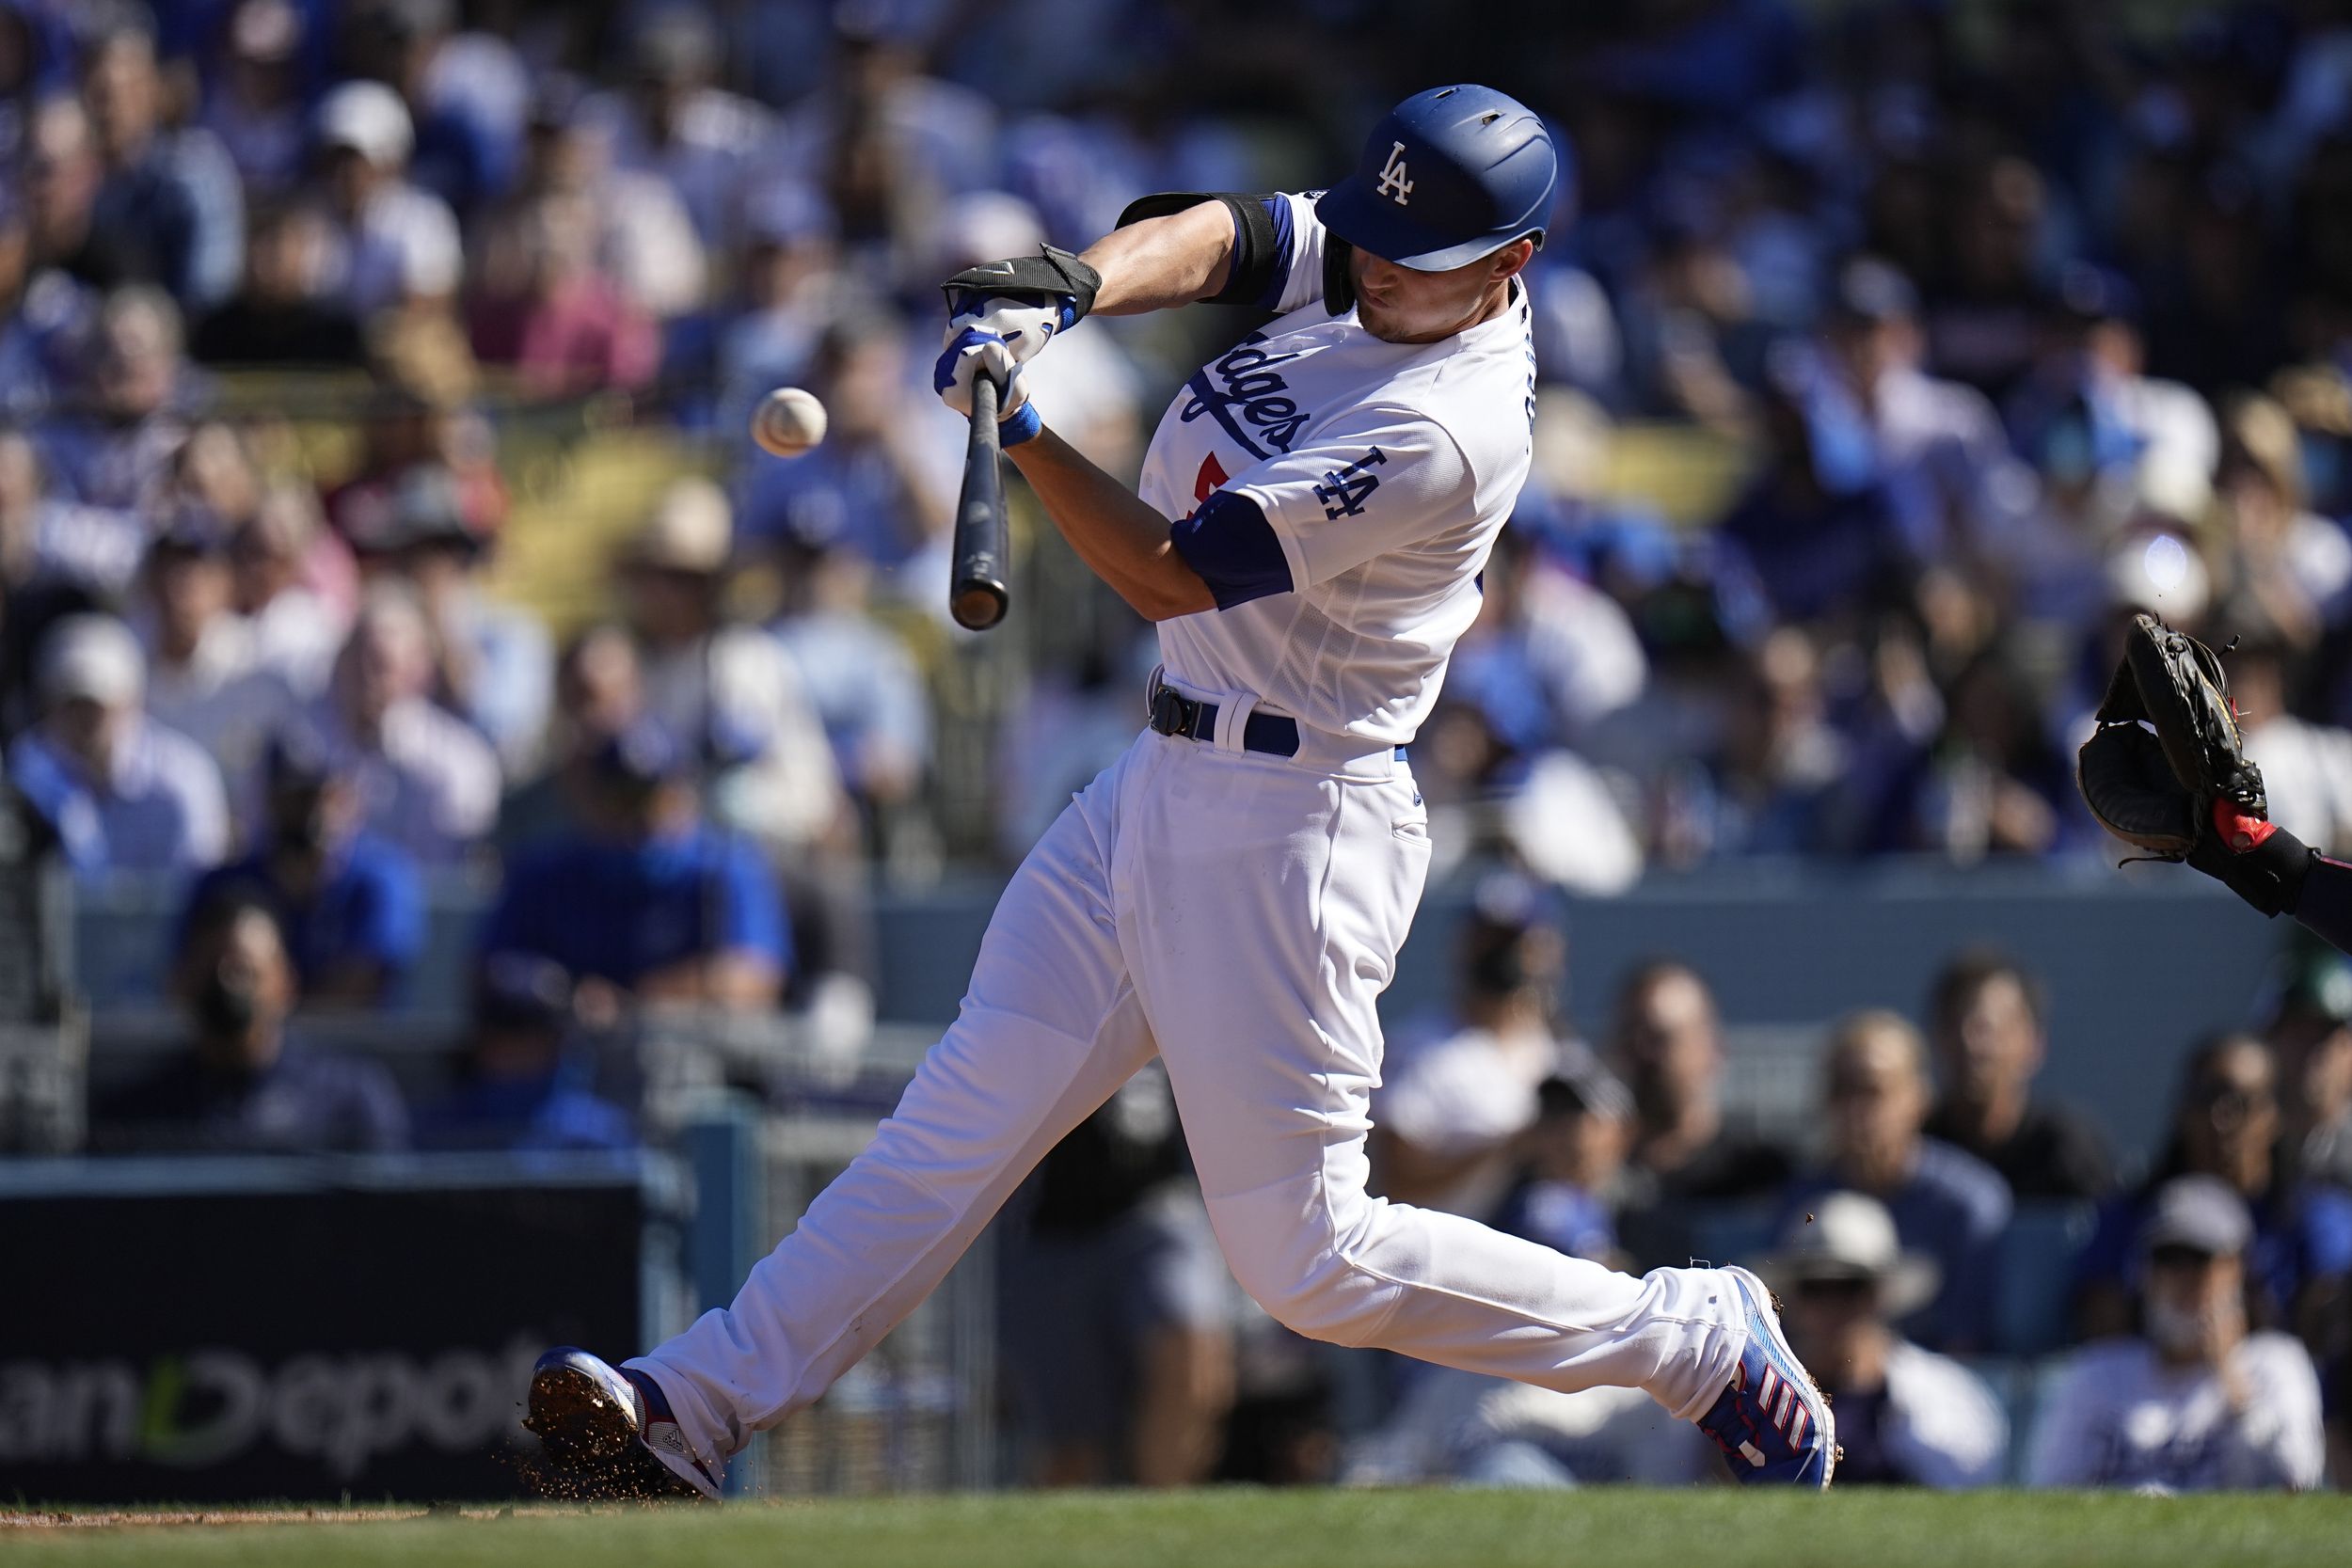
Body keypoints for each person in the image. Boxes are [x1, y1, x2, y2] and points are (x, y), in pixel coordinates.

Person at [522, 87, 1836, 1499]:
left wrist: (1020, 426)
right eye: (1380, 230)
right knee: (959, 1116)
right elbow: (1241, 235)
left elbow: (1170, 568)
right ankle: (691, 1402)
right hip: (1161, 776)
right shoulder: (1395, 256)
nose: (1376, 262)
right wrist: (1075, 289)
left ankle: (1690, 1334)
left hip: (1293, 823)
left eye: (1419, 254)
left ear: (1509, 267)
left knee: (1310, 1261)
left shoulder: (1446, 425)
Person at [997, 1063, 1235, 1488]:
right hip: (1055, 1228)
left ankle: (1164, 1528)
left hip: (1159, 1206)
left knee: (1192, 1366)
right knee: (1072, 1443)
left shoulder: (1183, 999)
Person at [2030, 1177, 2326, 1492]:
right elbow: (2050, 1493)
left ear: (2237, 1270)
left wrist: (2234, 1385)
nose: (2183, 1280)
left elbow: (2299, 1479)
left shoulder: (2275, 1364)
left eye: (2200, 1261)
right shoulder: (2096, 1374)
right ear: (2145, 1275)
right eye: (2168, 1259)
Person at [480, 719, 788, 1011]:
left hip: (688, 1053)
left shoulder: (724, 866)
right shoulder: (545, 872)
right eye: (622, 797)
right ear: (592, 799)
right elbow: (490, 970)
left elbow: (754, 976)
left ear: (681, 794)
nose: (639, 815)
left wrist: (631, 1003)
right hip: (569, 1053)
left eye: (651, 797)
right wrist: (561, 995)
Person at [2072, 1034, 2352, 1343]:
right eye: (2207, 1098)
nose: (2221, 1119)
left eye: (2241, 1103)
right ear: (2180, 1112)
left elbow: (2327, 1332)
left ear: (2273, 1117)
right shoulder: (2130, 1215)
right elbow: (2104, 1333)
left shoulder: (2312, 1216)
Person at [88, 887, 409, 1154]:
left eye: (246, 971)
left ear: (286, 983)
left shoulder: (349, 1100)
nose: (228, 984)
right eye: (212, 969)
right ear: (180, 982)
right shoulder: (136, 1117)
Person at [1781, 1011, 2011, 1353]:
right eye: (1842, 1091)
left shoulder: (1967, 1204)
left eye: (1874, 1091)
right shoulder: (1799, 1206)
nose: (1857, 1111)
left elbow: (1967, 1344)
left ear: (1919, 1098)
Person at [1757, 1194, 2007, 1489]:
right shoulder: (1755, 1393)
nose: (1832, 1306)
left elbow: (1968, 1490)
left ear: (1879, 1296)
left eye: (1851, 1287)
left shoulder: (1941, 1396)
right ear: (1795, 1300)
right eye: (1815, 1288)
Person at [1371, 877, 1577, 1221]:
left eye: (1512, 941)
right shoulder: (1420, 1048)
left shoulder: (1560, 1051)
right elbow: (1396, 1179)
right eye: (1487, 939)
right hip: (1445, 1259)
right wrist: (1508, 1148)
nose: (1500, 954)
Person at [178, 730, 424, 1009]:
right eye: (296, 797)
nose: (312, 812)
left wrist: (267, 1017)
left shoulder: (378, 879)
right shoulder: (224, 885)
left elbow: (358, 991)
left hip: (360, 1051)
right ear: (270, 799)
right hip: (244, 1050)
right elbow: (185, 983)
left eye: (323, 796)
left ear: (346, 796)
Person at [292, 583, 501, 865]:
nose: (365, 679)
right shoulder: (303, 749)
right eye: (355, 659)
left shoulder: (457, 765)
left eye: (380, 665)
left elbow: (445, 875)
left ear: (420, 670)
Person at [8, 613, 229, 876]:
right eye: (71, 705)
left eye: (97, 707)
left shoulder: (184, 779)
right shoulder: (26, 772)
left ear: (131, 702)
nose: (84, 720)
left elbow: (198, 885)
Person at [1920, 948, 2113, 1200]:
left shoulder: (2066, 1149)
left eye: (1986, 1028)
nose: (1969, 1044)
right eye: (1953, 1025)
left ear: (2034, 1044)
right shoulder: (1918, 1147)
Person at [414, 953, 635, 1154]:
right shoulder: (442, 1127)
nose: (514, 1049)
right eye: (505, 1033)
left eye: (534, 1035)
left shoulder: (596, 1132)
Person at [1613, 959, 1793, 1202]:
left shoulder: (1763, 1177)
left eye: (1660, 1038)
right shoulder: (1595, 1180)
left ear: (1713, 1050)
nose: (1642, 1052)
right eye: (1628, 1035)